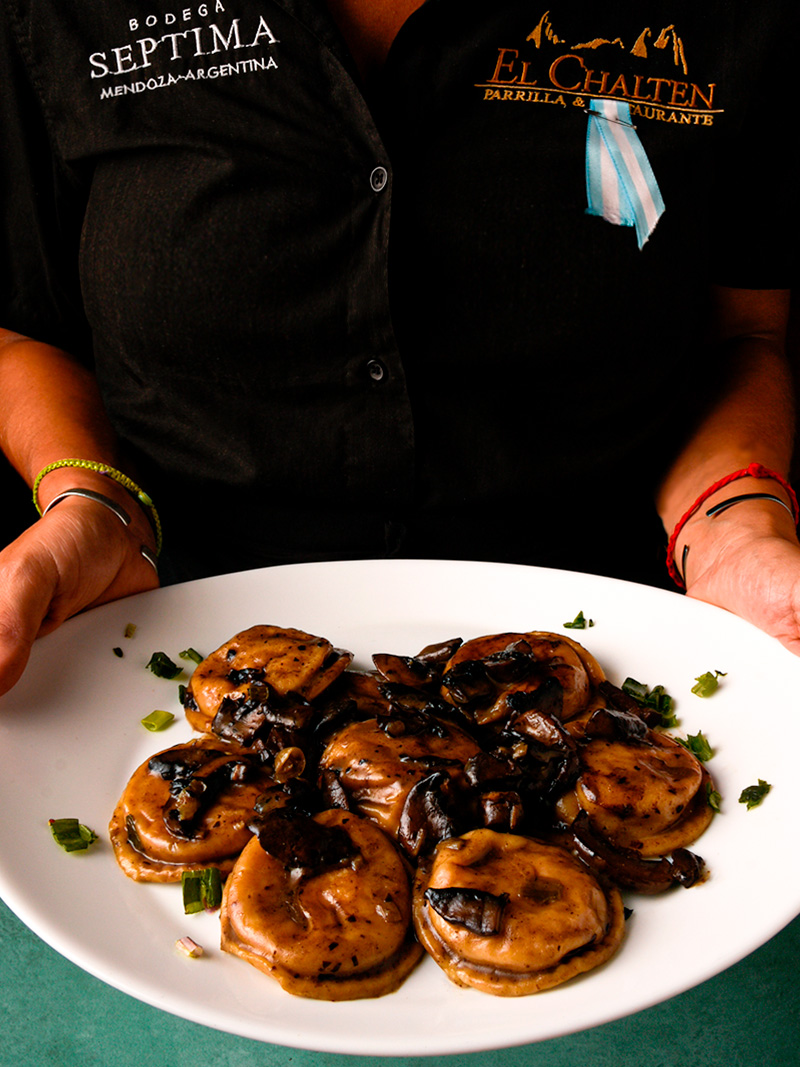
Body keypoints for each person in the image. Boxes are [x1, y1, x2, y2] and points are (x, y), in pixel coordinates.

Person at [0, 0, 797, 698]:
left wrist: (734, 523)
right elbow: (22, 325)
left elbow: (741, 335)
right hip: (162, 635)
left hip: (620, 640)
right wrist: (91, 499)